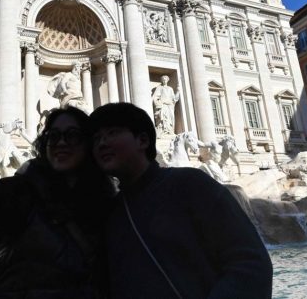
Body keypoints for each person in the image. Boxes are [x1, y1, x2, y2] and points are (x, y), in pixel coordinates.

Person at [0, 87, 115, 298]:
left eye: (72, 135)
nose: (61, 142)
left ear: (88, 143)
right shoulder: (20, 192)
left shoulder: (107, 202)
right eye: (53, 136)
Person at [88, 102, 273, 298]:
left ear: (143, 140)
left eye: (112, 133)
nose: (102, 143)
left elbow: (251, 263)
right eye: (96, 138)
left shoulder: (191, 184)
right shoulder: (111, 213)